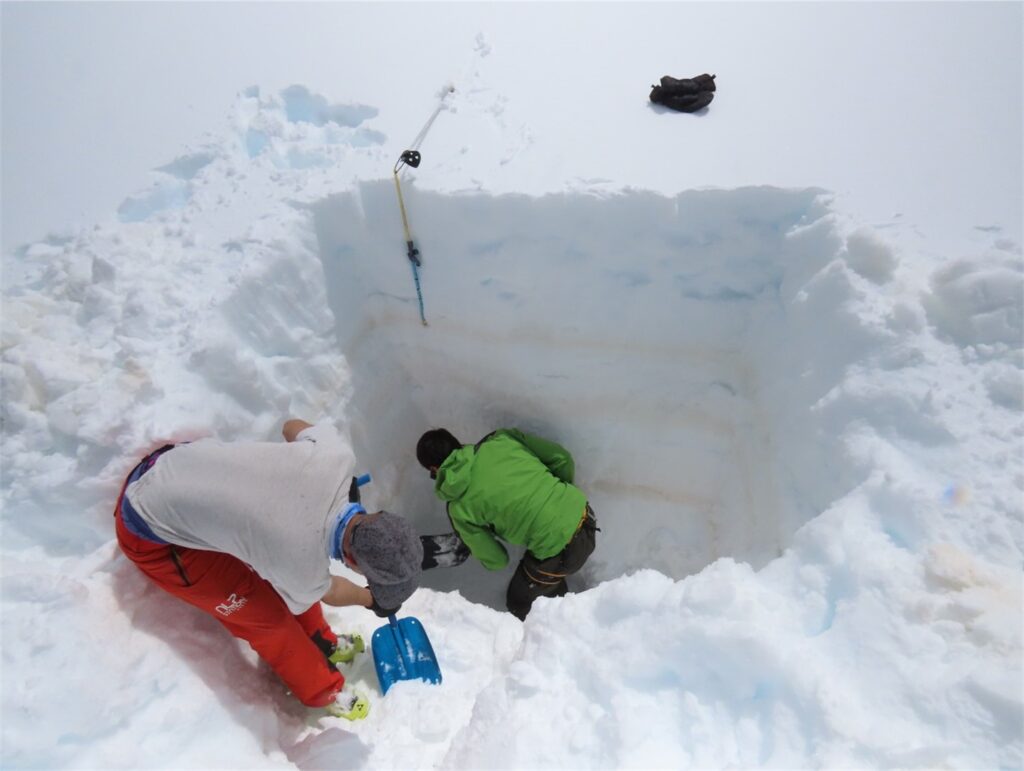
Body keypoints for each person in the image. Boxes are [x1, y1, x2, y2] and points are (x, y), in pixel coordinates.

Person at [113, 418, 422, 720]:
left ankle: (320, 639)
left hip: (177, 464)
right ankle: (324, 690)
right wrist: (372, 599)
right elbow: (328, 590)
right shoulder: (298, 559)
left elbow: (291, 426)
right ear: (353, 562)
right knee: (268, 620)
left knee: (288, 576)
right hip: (150, 525)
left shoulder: (336, 455)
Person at [416, 427, 598, 620]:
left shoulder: (458, 509)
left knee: (518, 601)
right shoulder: (502, 439)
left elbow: (497, 560)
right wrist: (557, 498)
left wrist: (480, 542)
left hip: (565, 553)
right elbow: (562, 459)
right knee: (544, 564)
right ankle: (552, 582)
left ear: (434, 470)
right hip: (585, 516)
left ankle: (561, 623)